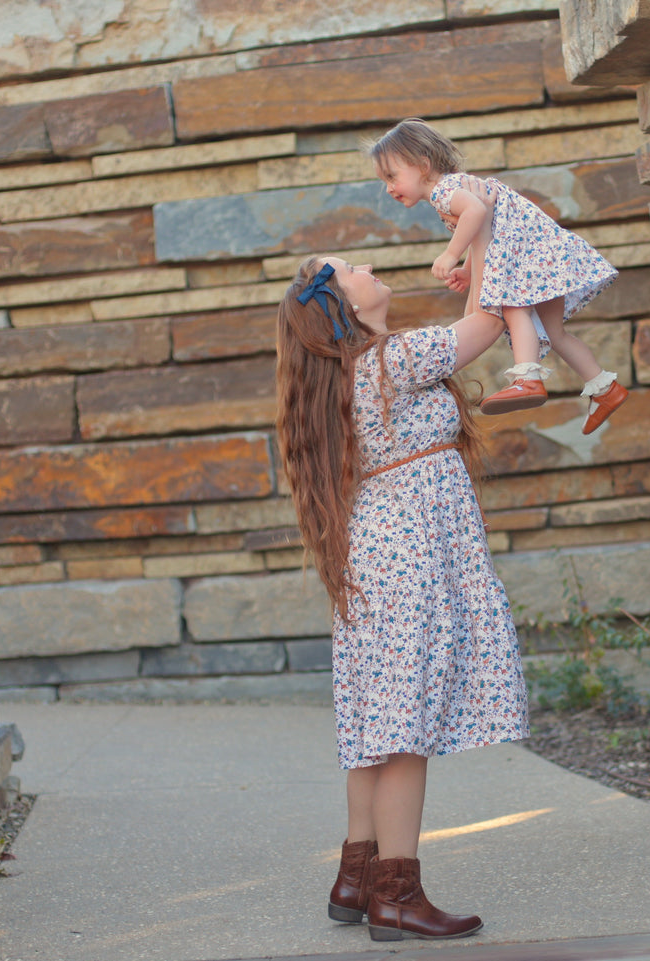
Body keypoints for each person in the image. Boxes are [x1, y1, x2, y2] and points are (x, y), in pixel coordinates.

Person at [274, 254, 530, 942]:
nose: (364, 263)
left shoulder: (357, 371)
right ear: (341, 308)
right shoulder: (389, 361)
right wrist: (482, 247)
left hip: (379, 554)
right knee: (403, 731)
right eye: (348, 267)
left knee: (376, 723)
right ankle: (396, 892)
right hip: (408, 556)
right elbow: (483, 326)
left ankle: (356, 875)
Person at [368, 117, 629, 434]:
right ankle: (604, 388)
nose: (388, 187)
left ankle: (527, 379)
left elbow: (477, 212)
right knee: (554, 332)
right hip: (541, 252)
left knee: (512, 305)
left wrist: (450, 255)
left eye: (392, 176)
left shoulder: (444, 190)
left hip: (528, 255)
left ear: (423, 165)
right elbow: (485, 227)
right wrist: (466, 270)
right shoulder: (456, 186)